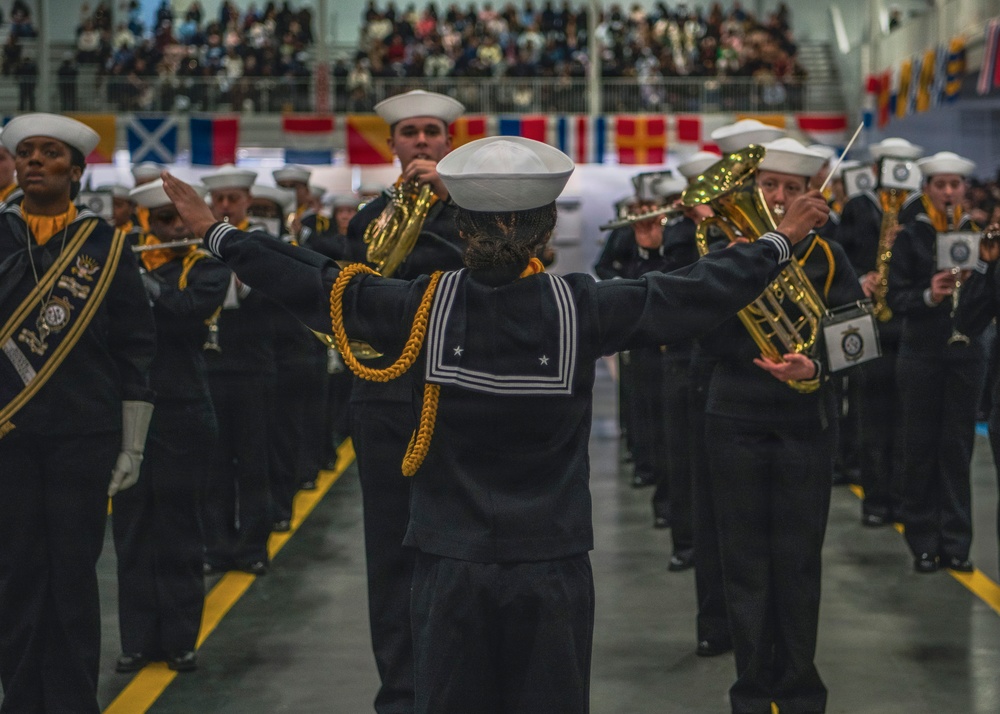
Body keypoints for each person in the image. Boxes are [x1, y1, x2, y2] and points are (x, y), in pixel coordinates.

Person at [161, 134, 829, 714]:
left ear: (461, 231)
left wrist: (219, 235)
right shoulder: (584, 310)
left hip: (450, 564)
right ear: (545, 232)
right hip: (553, 564)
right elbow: (693, 293)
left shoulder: (423, 307)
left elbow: (321, 282)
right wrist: (778, 240)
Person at [698, 137, 863, 713]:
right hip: (734, 418)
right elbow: (703, 335)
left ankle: (799, 689)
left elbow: (858, 340)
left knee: (797, 560)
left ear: (809, 195)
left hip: (805, 422)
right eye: (768, 185)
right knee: (741, 561)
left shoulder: (830, 256)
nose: (777, 196)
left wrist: (814, 363)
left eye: (792, 188)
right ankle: (750, 690)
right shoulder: (727, 255)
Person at [0, 113, 156, 712]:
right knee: (15, 575)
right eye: (27, 152)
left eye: (50, 153)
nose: (35, 161)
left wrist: (133, 443)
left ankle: (70, 701)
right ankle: (19, 698)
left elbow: (136, 349)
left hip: (82, 438)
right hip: (8, 436)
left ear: (76, 169)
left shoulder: (108, 247)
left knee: (72, 576)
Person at [327, 89, 469, 714]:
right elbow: (369, 278)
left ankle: (456, 682)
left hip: (458, 396)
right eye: (408, 133)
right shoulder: (368, 219)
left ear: (448, 143)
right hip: (384, 394)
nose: (419, 141)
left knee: (459, 546)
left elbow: (477, 268)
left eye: (430, 132)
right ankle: (401, 692)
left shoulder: (475, 212)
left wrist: (446, 194)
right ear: (393, 146)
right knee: (390, 551)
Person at [112, 178, 229, 674]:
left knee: (180, 529)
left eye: (179, 218)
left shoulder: (207, 267)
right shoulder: (128, 265)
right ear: (147, 224)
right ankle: (137, 640)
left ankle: (181, 638)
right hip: (129, 411)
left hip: (182, 411)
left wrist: (143, 282)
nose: (174, 228)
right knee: (132, 530)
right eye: (162, 220)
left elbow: (187, 317)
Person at [887, 150, 986, 573]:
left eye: (955, 185)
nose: (948, 192)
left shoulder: (981, 235)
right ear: (927, 189)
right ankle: (924, 541)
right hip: (921, 354)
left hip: (966, 355)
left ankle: (957, 544)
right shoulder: (912, 236)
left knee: (957, 448)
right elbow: (895, 299)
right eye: (940, 185)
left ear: (965, 189)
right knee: (920, 446)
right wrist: (930, 294)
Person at [834, 137, 923, 526]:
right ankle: (875, 501)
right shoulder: (858, 207)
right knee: (870, 414)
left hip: (909, 326)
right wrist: (860, 278)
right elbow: (837, 258)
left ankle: (903, 499)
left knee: (907, 420)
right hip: (868, 323)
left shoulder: (921, 213)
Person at [199, 164, 279, 576]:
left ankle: (251, 548)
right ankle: (216, 546)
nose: (226, 205)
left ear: (247, 202)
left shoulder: (263, 244)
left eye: (233, 199)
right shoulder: (198, 246)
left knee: (252, 463)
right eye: (219, 200)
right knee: (213, 467)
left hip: (251, 369)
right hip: (210, 370)